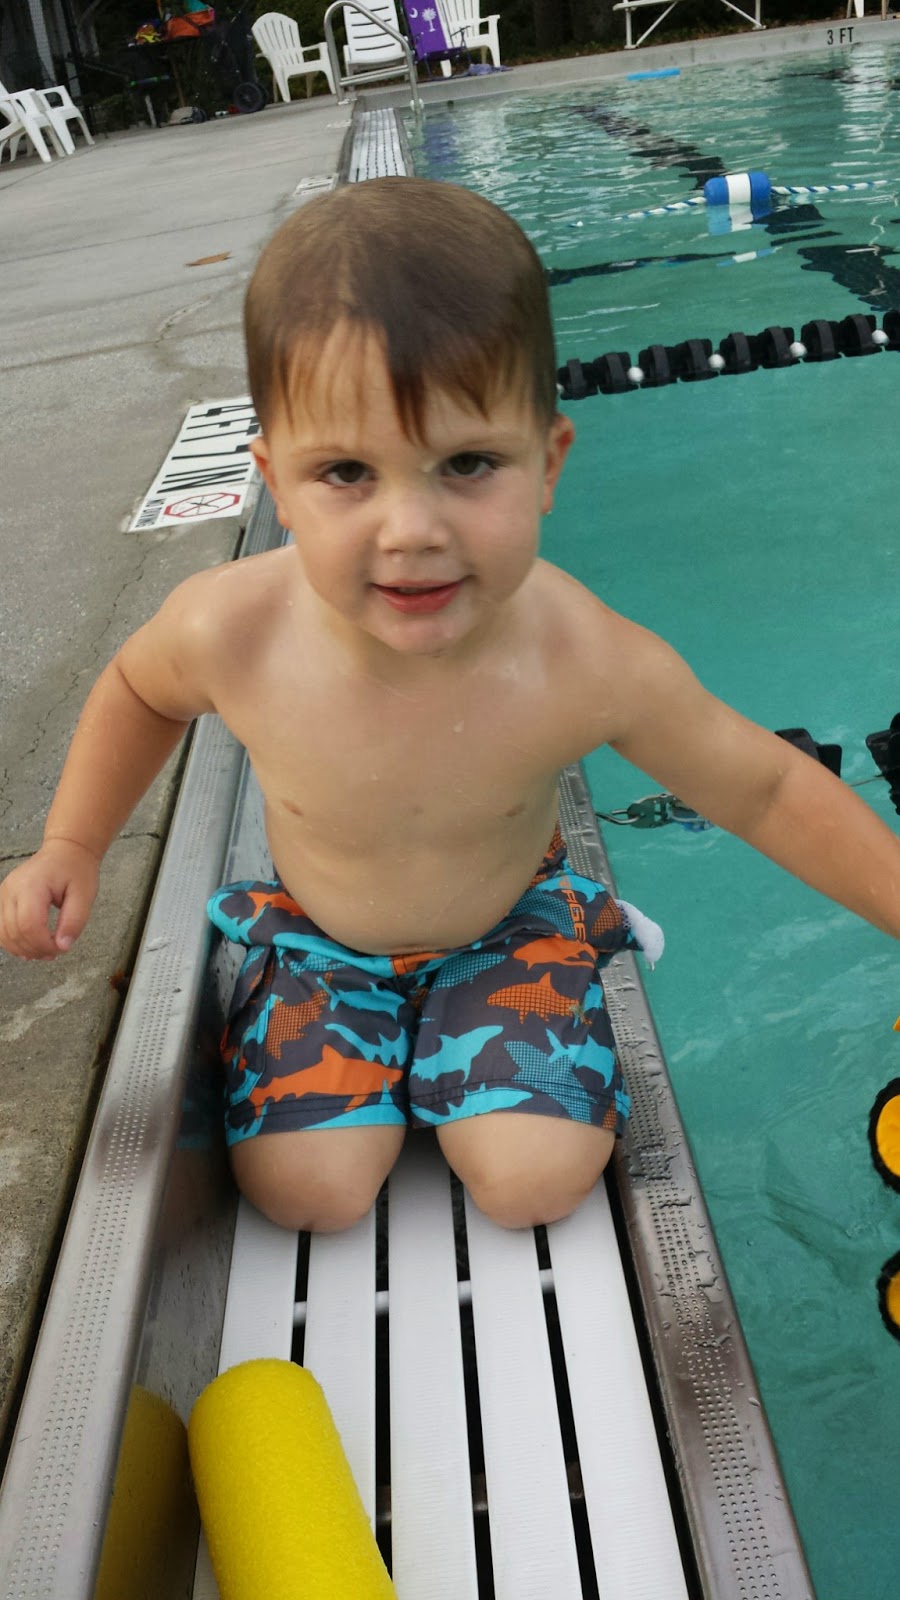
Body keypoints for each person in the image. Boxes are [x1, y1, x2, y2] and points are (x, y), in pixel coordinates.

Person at [1, 178, 898, 1236]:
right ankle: (380, 1052)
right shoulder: (234, 629)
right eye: (347, 471)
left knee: (535, 1184)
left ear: (548, 463)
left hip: (507, 935)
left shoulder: (580, 656)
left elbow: (766, 788)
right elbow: (137, 691)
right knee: (308, 1194)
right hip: (321, 942)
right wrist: (73, 843)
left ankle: (477, 1053)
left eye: (468, 463)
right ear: (275, 484)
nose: (412, 530)